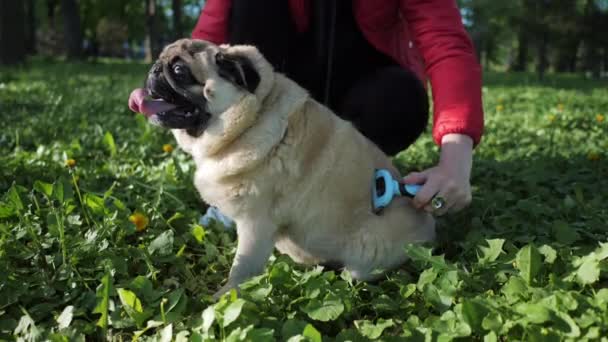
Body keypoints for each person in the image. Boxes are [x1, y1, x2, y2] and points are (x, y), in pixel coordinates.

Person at [190, 0, 483, 216]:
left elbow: (445, 43)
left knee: (398, 100)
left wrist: (454, 165)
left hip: (363, 91)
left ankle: (349, 179)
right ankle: (248, 183)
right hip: (279, 89)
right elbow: (205, 44)